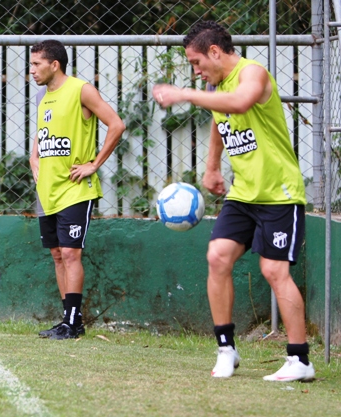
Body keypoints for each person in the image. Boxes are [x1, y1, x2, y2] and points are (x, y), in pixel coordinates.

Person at [153, 21, 314, 382]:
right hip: (243, 193)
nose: (195, 71)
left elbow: (239, 103)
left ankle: (300, 360)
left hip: (278, 193)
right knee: (217, 256)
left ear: (214, 51)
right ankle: (226, 349)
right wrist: (212, 167)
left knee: (274, 271)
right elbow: (220, 119)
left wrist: (185, 94)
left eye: (196, 62)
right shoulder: (218, 87)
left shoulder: (252, 73)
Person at [28, 40, 126, 340]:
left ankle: (72, 323)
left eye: (36, 64)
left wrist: (94, 164)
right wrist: (34, 156)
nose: (31, 71)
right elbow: (43, 133)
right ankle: (68, 320)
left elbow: (116, 125)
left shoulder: (81, 90)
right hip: (47, 190)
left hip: (75, 188)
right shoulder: (43, 98)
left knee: (71, 253)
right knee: (57, 254)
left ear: (54, 64)